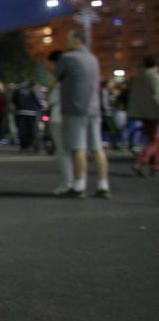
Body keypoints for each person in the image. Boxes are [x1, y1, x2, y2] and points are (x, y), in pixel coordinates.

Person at [54, 29, 109, 198]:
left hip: (74, 108)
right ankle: (103, 185)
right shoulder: (93, 59)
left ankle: (79, 186)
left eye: (69, 39)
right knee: (97, 147)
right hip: (94, 108)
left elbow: (56, 76)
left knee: (78, 147)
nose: (66, 42)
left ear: (77, 40)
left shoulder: (67, 58)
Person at [45, 50, 74, 194]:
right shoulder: (72, 76)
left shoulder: (56, 79)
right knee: (74, 151)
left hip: (58, 117)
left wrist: (48, 90)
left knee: (63, 152)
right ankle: (77, 182)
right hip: (72, 117)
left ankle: (67, 183)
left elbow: (50, 100)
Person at [127, 54, 159, 177]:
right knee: (155, 140)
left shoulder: (138, 76)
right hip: (154, 112)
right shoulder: (154, 77)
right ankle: (141, 161)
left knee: (153, 138)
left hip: (142, 112)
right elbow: (157, 95)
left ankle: (155, 165)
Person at [11, 80, 42, 152]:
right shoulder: (32, 91)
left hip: (20, 112)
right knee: (31, 129)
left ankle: (23, 146)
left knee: (21, 129)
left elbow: (13, 101)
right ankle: (30, 143)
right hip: (31, 113)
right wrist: (40, 107)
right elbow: (37, 102)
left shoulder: (17, 90)